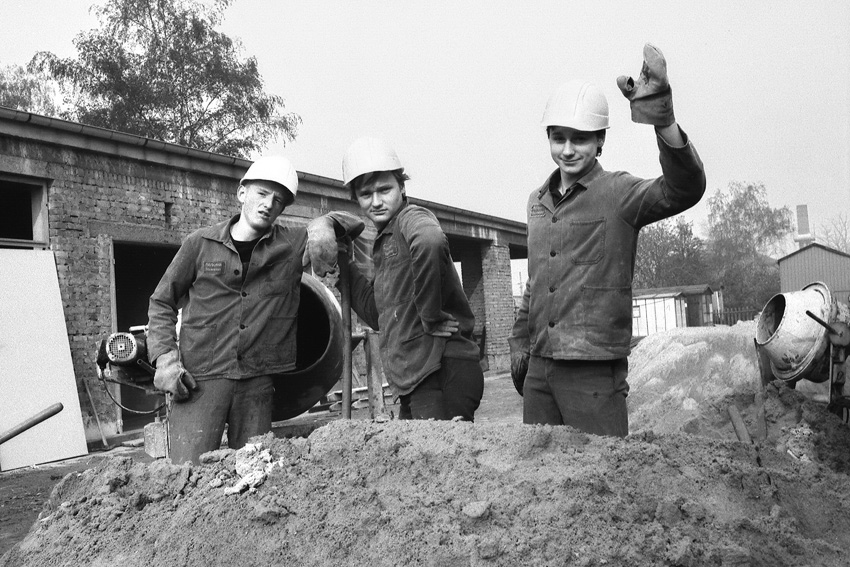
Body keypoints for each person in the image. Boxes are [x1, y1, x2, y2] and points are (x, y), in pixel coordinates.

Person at [508, 44, 706, 436]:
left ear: (600, 141)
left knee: (602, 484)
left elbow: (685, 188)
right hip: (540, 372)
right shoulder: (536, 203)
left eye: (580, 139)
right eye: (558, 137)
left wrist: (661, 118)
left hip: (593, 375)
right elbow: (535, 282)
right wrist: (519, 344)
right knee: (540, 483)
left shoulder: (619, 193)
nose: (567, 149)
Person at [147, 155, 364, 464]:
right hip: (199, 379)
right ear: (242, 193)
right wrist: (165, 362)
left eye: (278, 200)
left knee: (252, 474)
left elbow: (357, 223)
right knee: (187, 471)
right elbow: (161, 301)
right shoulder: (199, 244)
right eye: (262, 193)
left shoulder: (290, 245)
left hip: (257, 383)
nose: (268, 204)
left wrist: (325, 223)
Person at [339, 137, 484, 421]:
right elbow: (379, 315)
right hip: (416, 378)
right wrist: (343, 263)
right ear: (356, 198)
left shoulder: (411, 218)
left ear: (402, 187)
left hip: (442, 369)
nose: (377, 201)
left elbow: (429, 241)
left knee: (439, 460)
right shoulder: (385, 241)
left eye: (385, 189)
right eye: (366, 194)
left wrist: (429, 313)